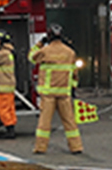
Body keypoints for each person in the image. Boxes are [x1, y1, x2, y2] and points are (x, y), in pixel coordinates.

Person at [30, 25, 82, 155]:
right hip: (64, 93)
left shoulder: (45, 51)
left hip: (48, 94)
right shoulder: (70, 52)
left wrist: (40, 43)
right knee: (69, 122)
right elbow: (75, 74)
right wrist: (72, 87)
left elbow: (31, 57)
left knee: (44, 123)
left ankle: (40, 147)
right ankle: (76, 147)